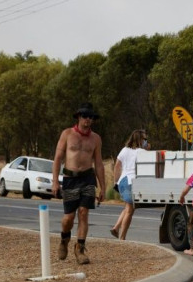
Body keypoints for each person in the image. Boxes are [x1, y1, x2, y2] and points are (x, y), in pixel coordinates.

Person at [52, 102, 105, 265]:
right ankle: (64, 239)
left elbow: (98, 163)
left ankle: (80, 248)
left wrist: (103, 187)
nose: (87, 120)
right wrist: (55, 182)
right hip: (70, 179)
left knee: (83, 212)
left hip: (87, 179)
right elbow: (58, 158)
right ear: (78, 117)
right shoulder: (67, 134)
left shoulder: (95, 138)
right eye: (84, 116)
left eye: (90, 117)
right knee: (69, 218)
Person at [110, 129, 147, 240]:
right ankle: (122, 238)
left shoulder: (125, 150)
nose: (146, 141)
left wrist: (115, 182)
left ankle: (116, 228)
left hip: (123, 180)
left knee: (127, 207)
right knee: (130, 210)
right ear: (139, 139)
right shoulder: (141, 152)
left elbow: (117, 166)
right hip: (131, 182)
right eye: (144, 139)